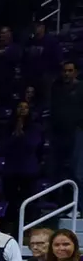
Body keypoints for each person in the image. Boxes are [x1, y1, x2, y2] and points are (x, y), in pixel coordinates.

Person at [49, 60, 82, 190]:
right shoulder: (56, 87)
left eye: (70, 71)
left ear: (76, 72)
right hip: (59, 134)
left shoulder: (82, 88)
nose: (67, 73)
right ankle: (62, 204)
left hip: (77, 133)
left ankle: (80, 207)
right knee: (57, 172)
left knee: (77, 173)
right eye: (64, 71)